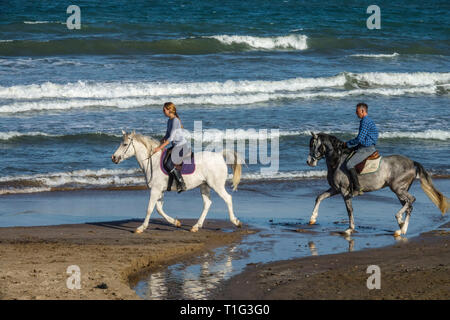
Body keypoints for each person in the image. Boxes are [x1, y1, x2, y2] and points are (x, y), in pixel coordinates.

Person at [153, 102, 191, 193]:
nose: (163, 111)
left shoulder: (175, 120)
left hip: (181, 146)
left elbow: (171, 138)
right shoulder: (169, 120)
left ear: (169, 110)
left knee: (168, 164)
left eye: (164, 110)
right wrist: (158, 142)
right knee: (164, 159)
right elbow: (167, 135)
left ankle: (181, 183)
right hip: (175, 146)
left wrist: (159, 148)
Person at [344, 102, 378, 195]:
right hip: (364, 146)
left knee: (349, 164)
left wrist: (347, 144)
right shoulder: (368, 120)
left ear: (362, 111)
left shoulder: (365, 121)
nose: (356, 113)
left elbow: (359, 138)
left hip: (366, 148)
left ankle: (357, 188)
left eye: (357, 111)